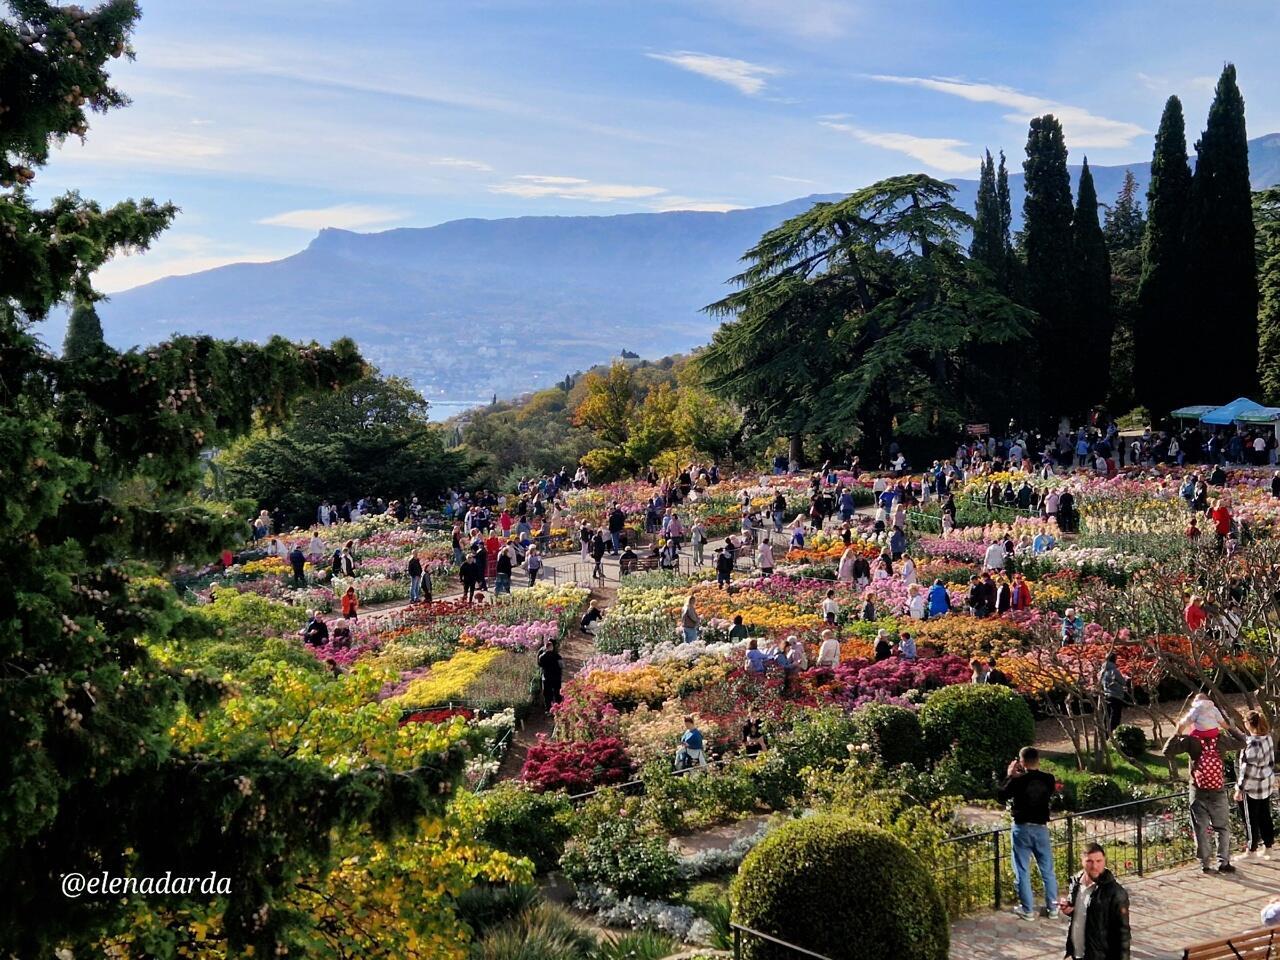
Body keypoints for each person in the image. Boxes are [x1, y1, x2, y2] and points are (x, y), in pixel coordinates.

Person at [997, 746, 1060, 921]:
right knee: (1047, 870)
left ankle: (1028, 909)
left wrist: (1010, 775)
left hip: (1022, 828)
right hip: (1041, 828)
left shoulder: (1018, 781)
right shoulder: (1048, 779)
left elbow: (1001, 796)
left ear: (1022, 761)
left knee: (1022, 869)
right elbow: (1050, 791)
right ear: (1038, 760)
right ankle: (1053, 908)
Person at [1061, 844, 1131, 959]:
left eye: (1099, 861)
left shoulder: (1115, 892)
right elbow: (1085, 913)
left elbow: (1123, 933)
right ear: (1082, 861)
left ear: (1104, 860)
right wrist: (1069, 910)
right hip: (1077, 953)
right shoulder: (1075, 883)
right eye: (1089, 861)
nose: (1095, 866)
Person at [1237, 709, 1276, 860]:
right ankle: (1268, 847)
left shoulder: (1252, 744)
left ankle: (1251, 850)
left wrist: (1239, 788)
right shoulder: (1267, 738)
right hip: (1265, 784)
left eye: (1245, 722)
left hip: (1252, 787)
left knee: (1250, 818)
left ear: (1249, 724)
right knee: (1265, 815)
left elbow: (1247, 769)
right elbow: (1271, 761)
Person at [1098, 653, 1129, 736]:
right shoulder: (1114, 671)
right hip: (1116, 695)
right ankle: (1113, 732)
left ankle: (1106, 733)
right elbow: (1123, 682)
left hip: (1106, 694)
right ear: (1114, 659)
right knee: (1115, 715)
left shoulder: (1102, 671)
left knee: (1107, 714)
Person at [537, 639, 563, 707]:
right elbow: (562, 665)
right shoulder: (557, 656)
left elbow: (539, 664)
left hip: (546, 677)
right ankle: (558, 707)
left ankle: (548, 708)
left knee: (547, 694)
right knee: (557, 692)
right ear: (552, 647)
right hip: (556, 677)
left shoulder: (541, 656)